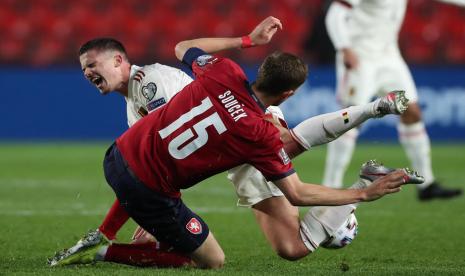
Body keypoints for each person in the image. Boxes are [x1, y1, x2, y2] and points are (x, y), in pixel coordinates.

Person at [49, 17, 421, 269]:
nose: (87, 73)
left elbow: (185, 49)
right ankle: (370, 139)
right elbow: (183, 52)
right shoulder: (152, 99)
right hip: (237, 145)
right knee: (288, 242)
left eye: (92, 66)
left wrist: (152, 208)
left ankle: (374, 111)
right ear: (287, 93)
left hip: (231, 140)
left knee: (284, 145)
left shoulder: (192, 78)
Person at [323, 0, 463, 200]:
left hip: (389, 57)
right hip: (361, 56)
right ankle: (331, 185)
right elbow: (335, 14)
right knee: (350, 119)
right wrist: (344, 48)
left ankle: (427, 185)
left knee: (412, 112)